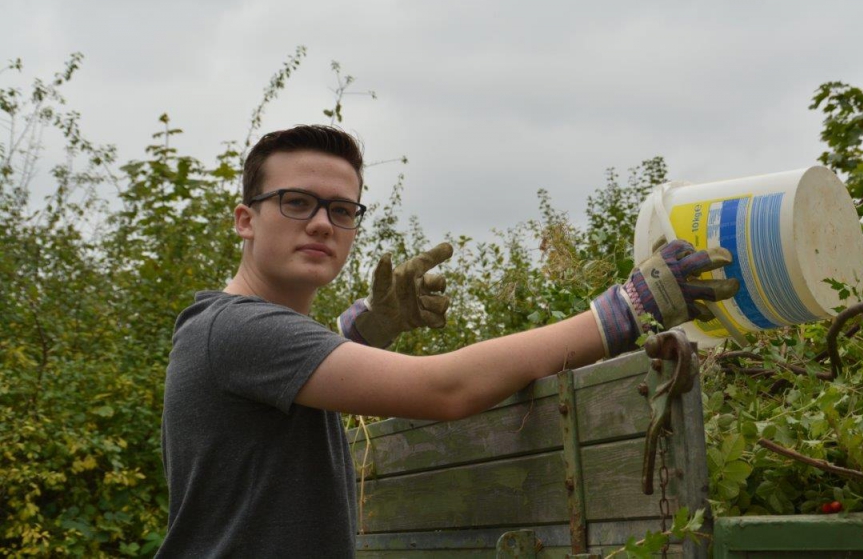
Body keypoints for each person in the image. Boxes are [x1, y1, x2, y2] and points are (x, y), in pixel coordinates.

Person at [158, 124, 738, 558]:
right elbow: (446, 389)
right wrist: (625, 309)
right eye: (296, 202)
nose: (321, 223)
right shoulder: (237, 329)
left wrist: (369, 328)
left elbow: (297, 373)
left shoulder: (232, 331)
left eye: (341, 209)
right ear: (245, 219)